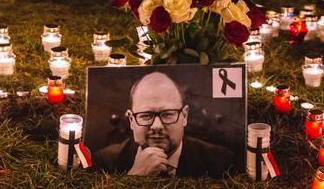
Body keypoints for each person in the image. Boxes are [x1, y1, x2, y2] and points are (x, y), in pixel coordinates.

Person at [93, 72, 234, 178]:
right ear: (131, 120)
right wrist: (135, 176)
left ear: (184, 116)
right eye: (146, 115)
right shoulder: (105, 161)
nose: (157, 126)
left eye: (167, 114)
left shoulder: (222, 163)